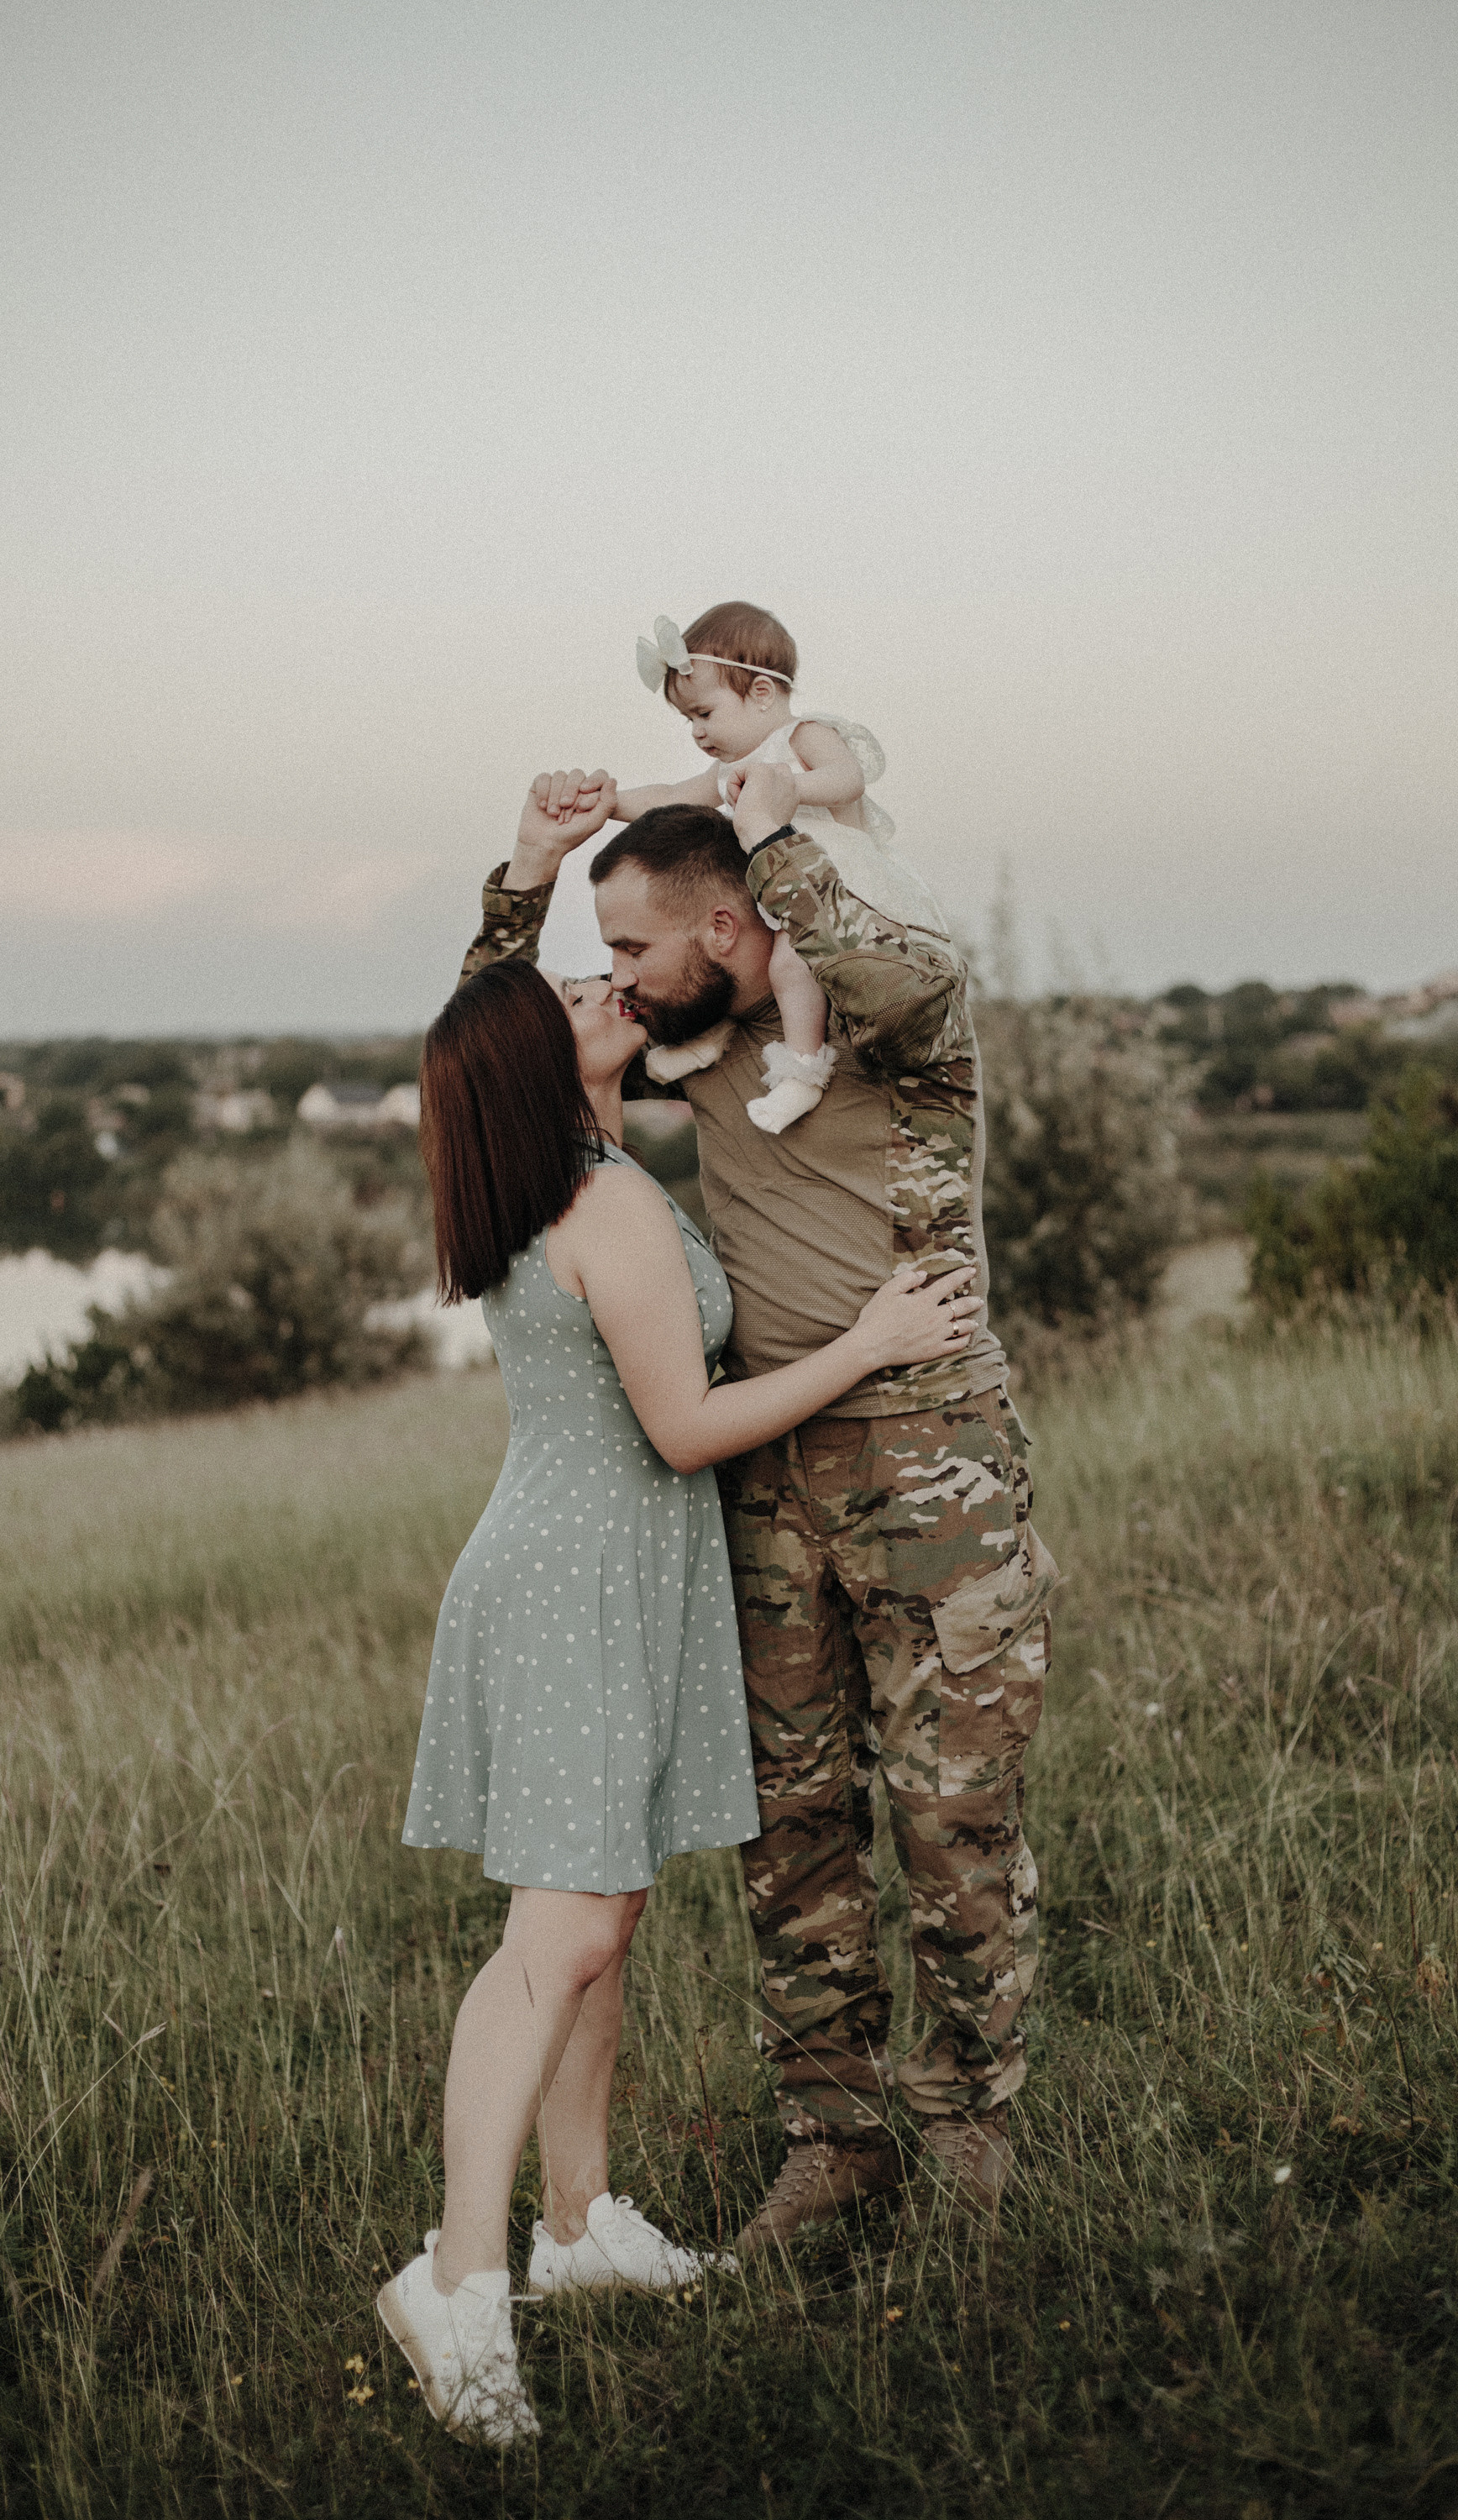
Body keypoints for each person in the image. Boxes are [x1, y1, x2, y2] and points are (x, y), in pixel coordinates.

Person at [377, 773, 982, 2445]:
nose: (607, 987)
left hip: (599, 1574)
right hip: (583, 1585)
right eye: (580, 990)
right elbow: (681, 1428)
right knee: (558, 1940)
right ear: (537, 1064)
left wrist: (538, 865)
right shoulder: (608, 1205)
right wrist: (864, 1345)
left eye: (610, 965)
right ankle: (457, 2276)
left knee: (608, 1924)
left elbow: (483, 1025)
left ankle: (580, 2233)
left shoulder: (556, 1174)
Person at [464, 756, 1059, 2260]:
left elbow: (877, 963)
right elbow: (499, 1048)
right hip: (766, 1485)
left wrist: (777, 819)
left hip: (937, 1470)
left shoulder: (901, 1026)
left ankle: (971, 2149)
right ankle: (834, 2147)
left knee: (952, 1819)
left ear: (731, 921)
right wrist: (529, 868)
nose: (619, 980)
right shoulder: (692, 1054)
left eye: (639, 949)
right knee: (791, 1836)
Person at [611, 601, 947, 1134]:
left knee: (789, 967)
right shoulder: (728, 768)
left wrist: (788, 788)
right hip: (768, 885)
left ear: (762, 694)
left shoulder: (801, 736)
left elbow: (848, 779)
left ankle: (802, 1072)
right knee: (733, 959)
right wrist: (610, 801)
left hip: (829, 883)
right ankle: (710, 1038)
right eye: (688, 720)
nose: (697, 732)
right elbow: (674, 797)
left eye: (704, 713)